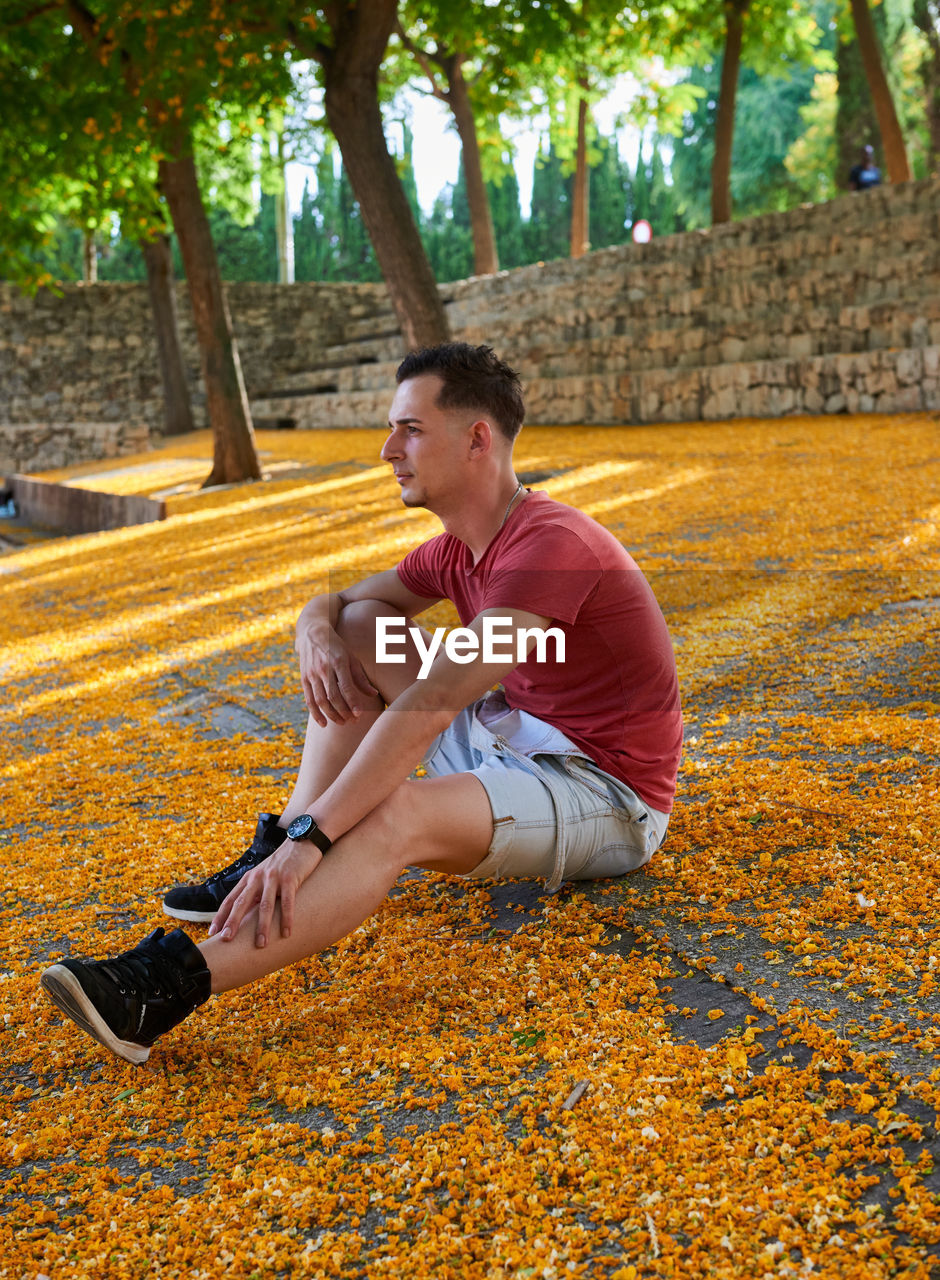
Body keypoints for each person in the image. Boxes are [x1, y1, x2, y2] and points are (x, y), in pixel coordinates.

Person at [40, 342, 683, 1065]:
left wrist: (315, 841)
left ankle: (163, 989)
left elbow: (434, 703)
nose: (387, 450)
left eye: (409, 429)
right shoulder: (457, 548)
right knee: (356, 629)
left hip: (606, 790)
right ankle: (275, 841)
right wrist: (314, 632)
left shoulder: (552, 546)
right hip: (514, 739)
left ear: (477, 439)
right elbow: (342, 602)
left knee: (391, 817)